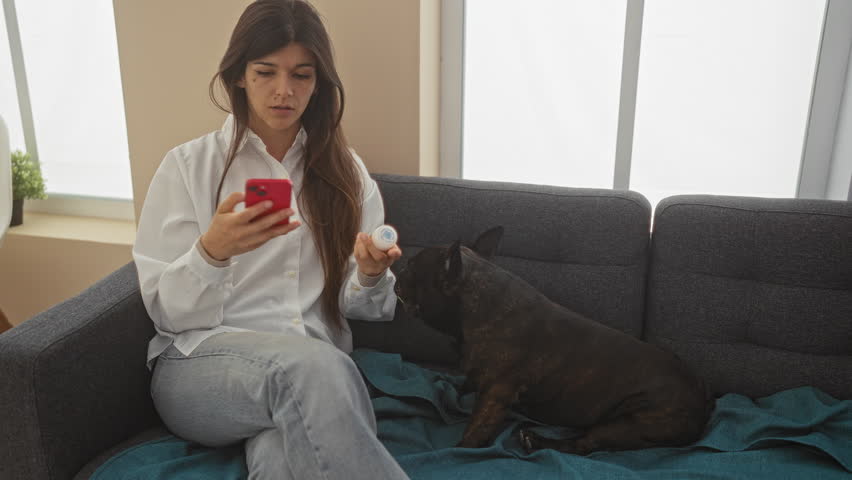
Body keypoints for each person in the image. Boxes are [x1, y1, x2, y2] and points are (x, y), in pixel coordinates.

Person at [132, 1, 409, 478]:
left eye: (302, 75)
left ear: (318, 82)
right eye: (266, 72)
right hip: (201, 366)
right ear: (239, 75)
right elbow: (167, 313)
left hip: (310, 372)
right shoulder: (188, 168)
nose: (285, 91)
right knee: (315, 370)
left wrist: (369, 275)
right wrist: (212, 252)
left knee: (283, 453)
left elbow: (365, 310)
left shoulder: (346, 174)